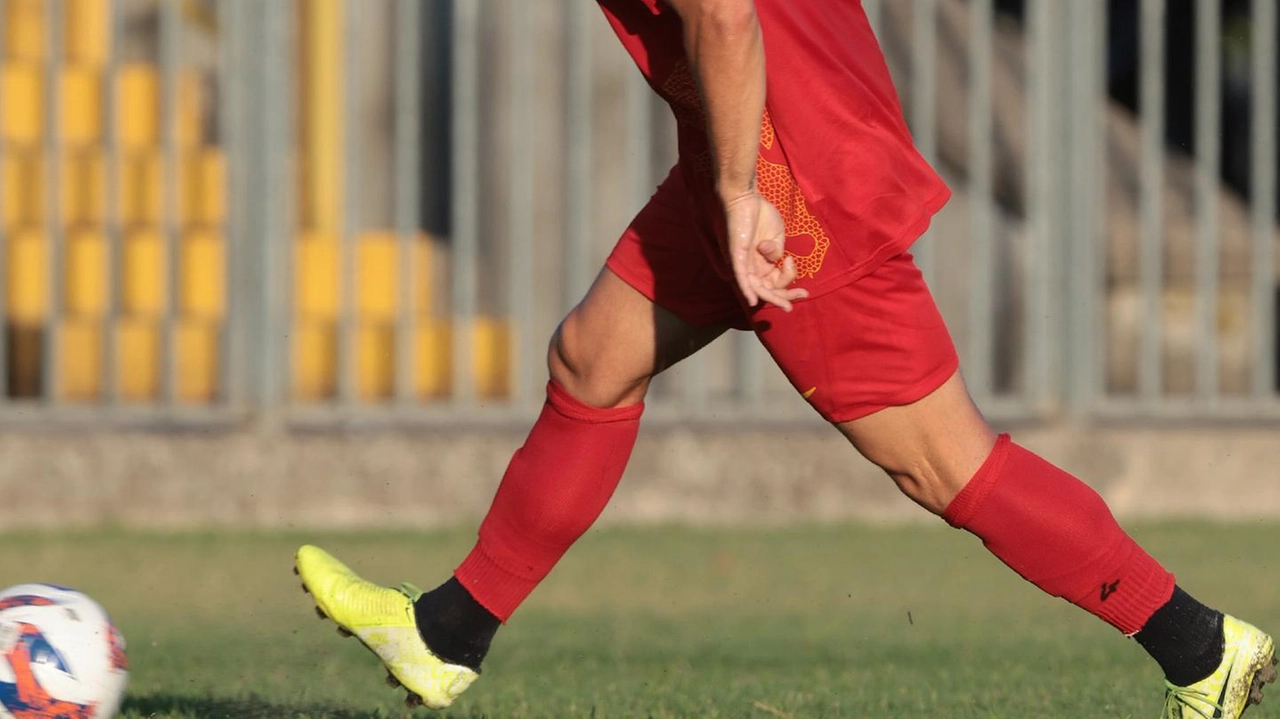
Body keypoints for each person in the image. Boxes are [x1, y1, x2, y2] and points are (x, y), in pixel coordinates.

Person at [293, 1, 1276, 716]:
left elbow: (722, 16)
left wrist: (734, 191)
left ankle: (1200, 648)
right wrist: (723, 176)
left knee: (942, 459)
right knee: (591, 358)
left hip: (788, 189)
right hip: (743, 156)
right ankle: (445, 635)